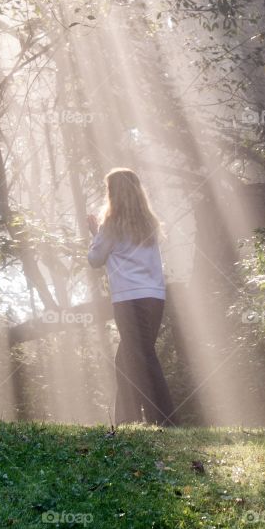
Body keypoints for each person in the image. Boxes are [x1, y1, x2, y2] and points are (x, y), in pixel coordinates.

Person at [85, 168, 176, 426]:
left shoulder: (111, 225)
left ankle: (166, 420)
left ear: (113, 193)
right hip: (154, 297)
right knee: (126, 357)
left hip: (128, 299)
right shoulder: (150, 223)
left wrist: (95, 234)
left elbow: (95, 259)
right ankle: (128, 420)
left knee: (143, 356)